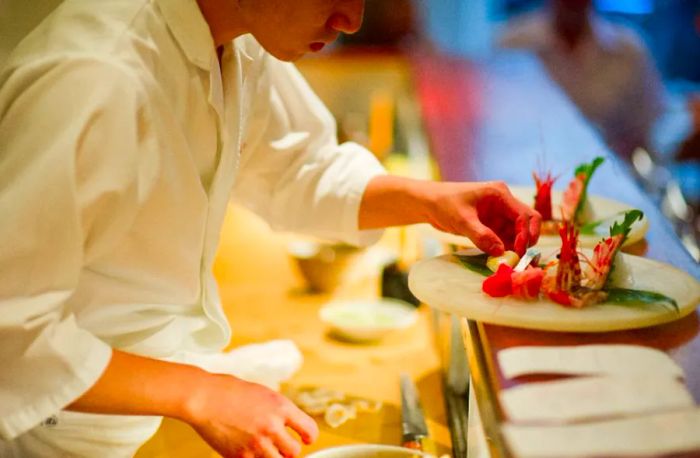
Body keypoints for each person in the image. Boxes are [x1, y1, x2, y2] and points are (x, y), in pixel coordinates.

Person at [0, 0, 540, 456]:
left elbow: (299, 168)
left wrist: (431, 202)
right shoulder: (95, 75)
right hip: (66, 429)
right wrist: (199, 393)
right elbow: (12, 331)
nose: (351, 19)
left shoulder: (237, 38)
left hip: (167, 398)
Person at [498, 0, 665, 160]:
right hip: (528, 170)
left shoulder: (629, 50)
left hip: (610, 175)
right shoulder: (510, 44)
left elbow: (653, 128)